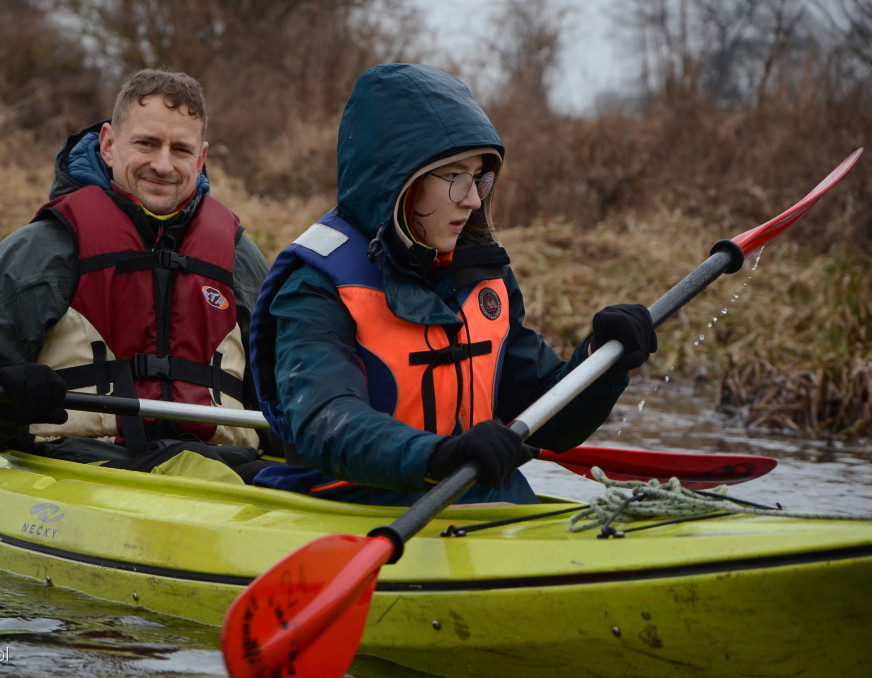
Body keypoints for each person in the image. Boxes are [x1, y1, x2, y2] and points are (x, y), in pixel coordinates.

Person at [249, 63, 657, 505]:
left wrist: (600, 362)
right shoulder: (314, 288)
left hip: (481, 502)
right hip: (356, 506)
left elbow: (550, 421)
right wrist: (438, 456)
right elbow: (326, 421)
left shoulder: (483, 277)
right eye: (456, 177)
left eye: (480, 177)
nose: (474, 198)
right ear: (398, 181)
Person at [0, 68, 274, 482]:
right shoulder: (44, 249)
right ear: (108, 145)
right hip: (81, 468)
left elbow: (288, 397)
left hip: (228, 476)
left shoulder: (239, 258)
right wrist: (2, 399)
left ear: (201, 159)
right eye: (146, 144)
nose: (162, 165)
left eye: (180, 150)